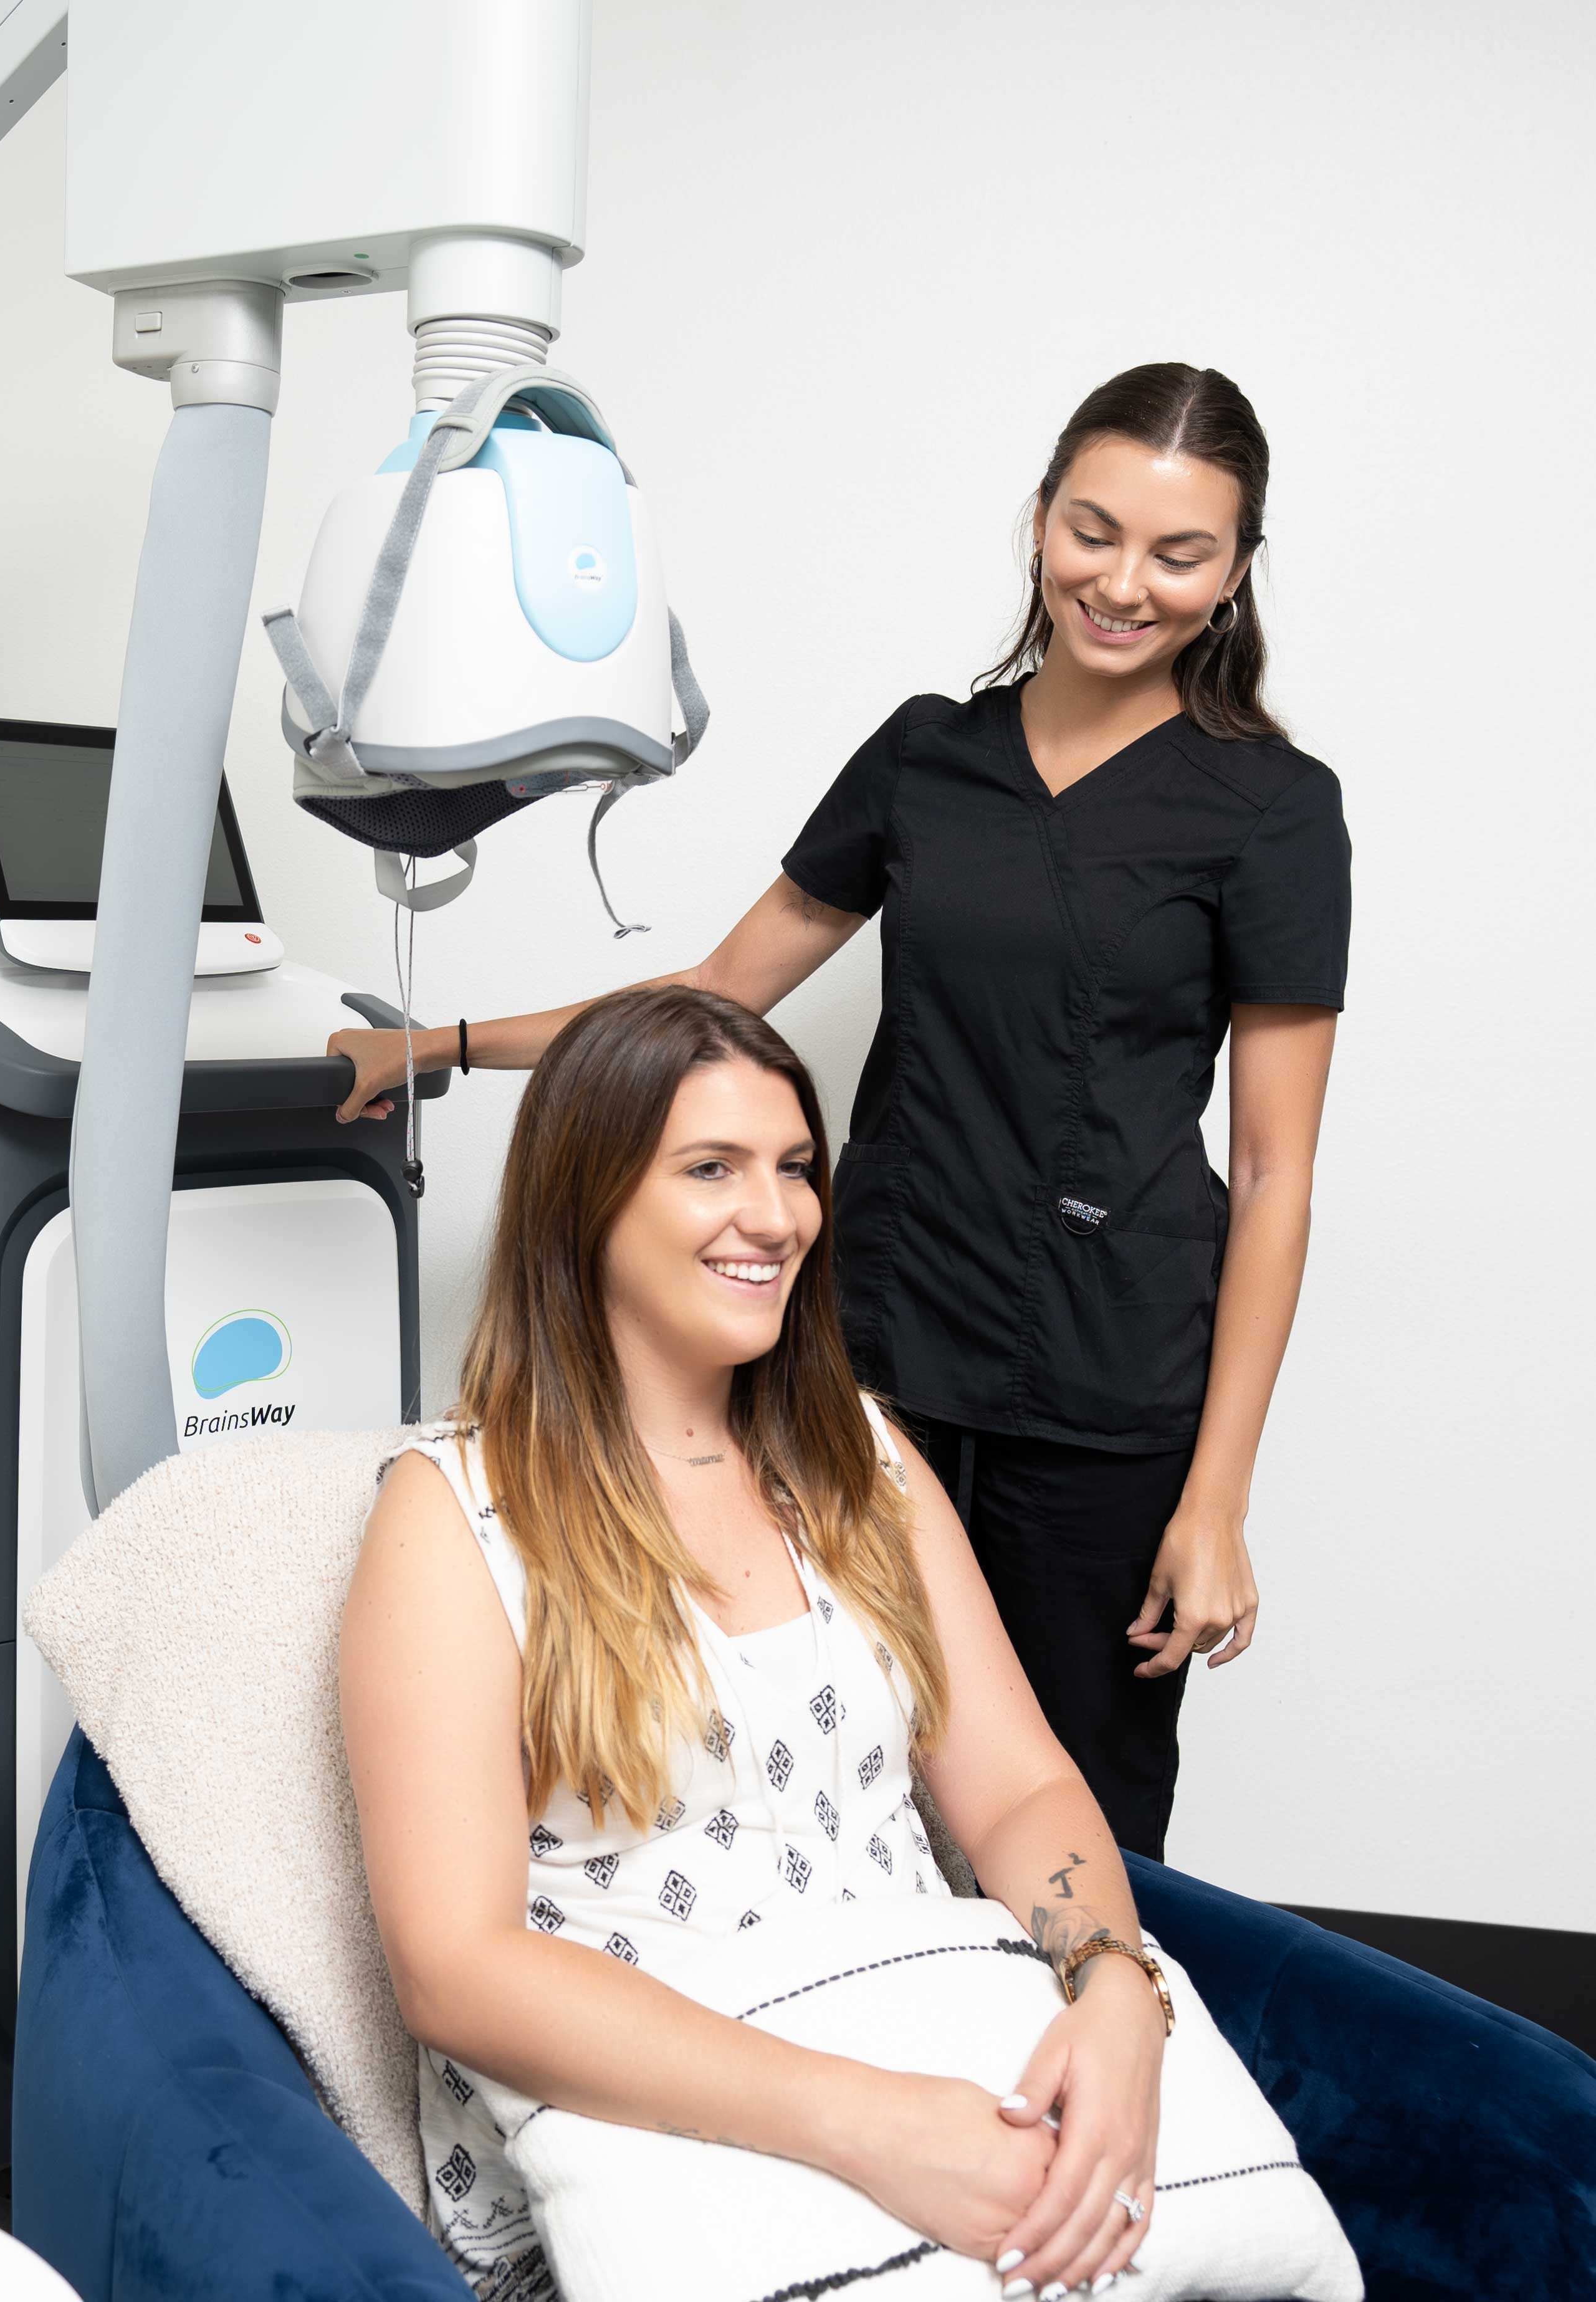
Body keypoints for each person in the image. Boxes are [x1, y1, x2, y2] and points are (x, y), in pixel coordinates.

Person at [331, 362, 1350, 1861]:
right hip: (873, 1355)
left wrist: (1215, 1499)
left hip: (1109, 1385)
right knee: (822, 1755)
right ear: (1038, 519)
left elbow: (1270, 1174)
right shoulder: (928, 756)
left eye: (1177, 553)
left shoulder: (1271, 809)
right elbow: (717, 991)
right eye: (1092, 531)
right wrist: (446, 1044)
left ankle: (1099, 2012)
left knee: (1080, 1802)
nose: (1122, 583)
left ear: (1235, 571)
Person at [342, 986, 1175, 2302]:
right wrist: (865, 2121)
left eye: (794, 1167)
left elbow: (1020, 1783)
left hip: (926, 2054)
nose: (777, 1215)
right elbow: (456, 1968)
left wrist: (1116, 1989)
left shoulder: (863, 1462)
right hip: (655, 2141)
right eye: (711, 1168)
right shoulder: (451, 1514)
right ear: (586, 1196)